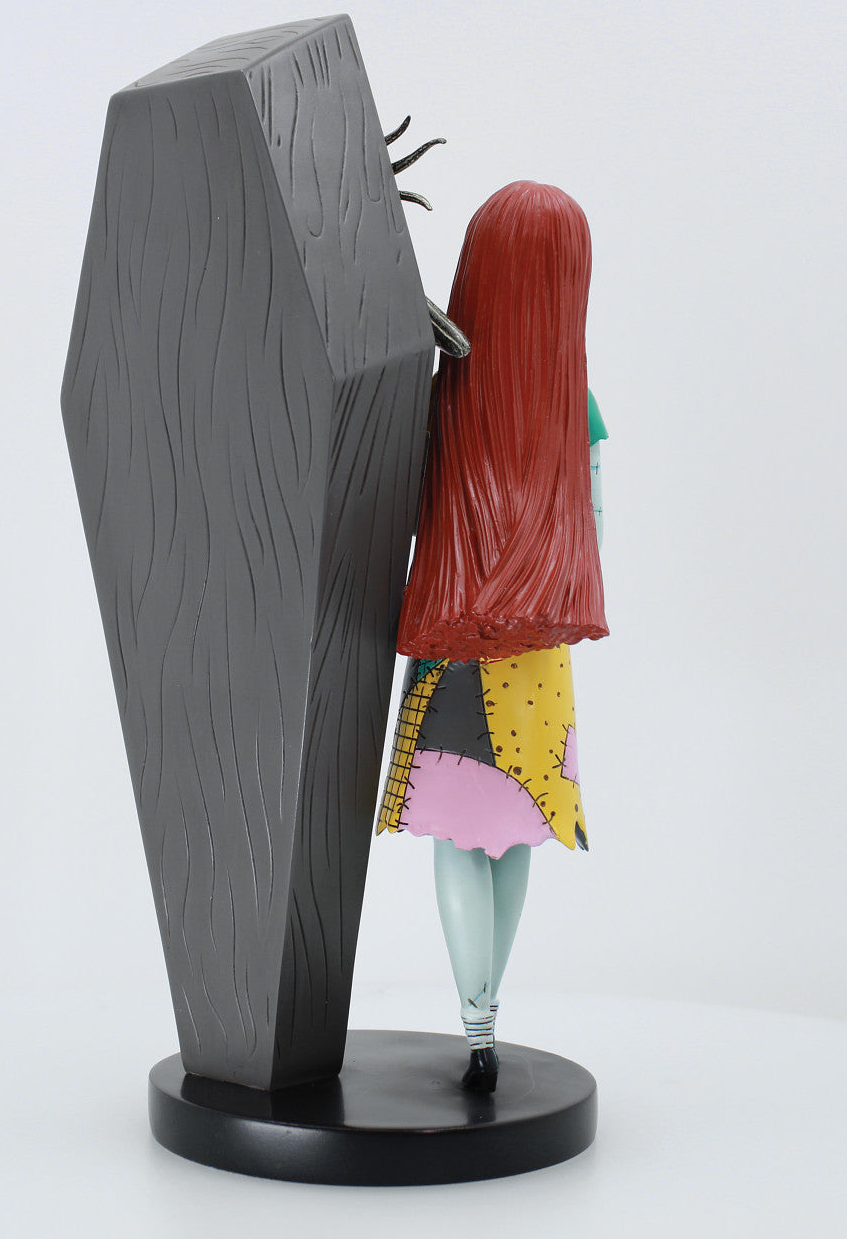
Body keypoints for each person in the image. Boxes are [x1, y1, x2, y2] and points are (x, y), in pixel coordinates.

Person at [376, 180, 608, 1093]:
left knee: (462, 841)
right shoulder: (575, 406)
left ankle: (478, 1024)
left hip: (453, 640)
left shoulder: (442, 397)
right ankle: (484, 1021)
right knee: (512, 838)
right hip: (538, 656)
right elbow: (591, 529)